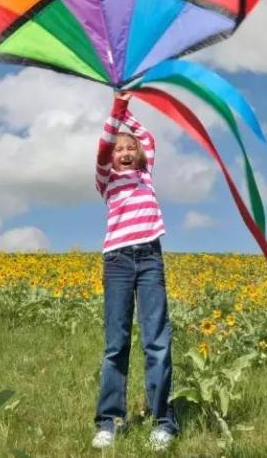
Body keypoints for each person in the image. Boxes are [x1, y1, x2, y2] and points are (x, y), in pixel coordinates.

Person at [91, 91, 177, 451]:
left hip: (150, 259)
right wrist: (116, 110)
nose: (125, 152)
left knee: (157, 340)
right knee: (117, 343)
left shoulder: (147, 173)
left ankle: (163, 421)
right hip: (118, 262)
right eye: (119, 149)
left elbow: (149, 139)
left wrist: (128, 106)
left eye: (130, 148)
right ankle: (109, 421)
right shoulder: (106, 180)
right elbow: (103, 146)